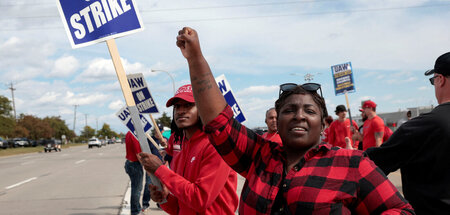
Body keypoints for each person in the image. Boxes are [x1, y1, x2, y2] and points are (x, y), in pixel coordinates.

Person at [174, 26, 414, 214]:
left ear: (322, 123)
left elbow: (401, 210)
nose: (299, 115)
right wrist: (195, 58)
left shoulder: (352, 164)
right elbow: (219, 123)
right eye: (289, 110)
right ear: (278, 121)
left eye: (309, 111)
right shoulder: (260, 155)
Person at [366, 52, 450, 214]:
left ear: (440, 79)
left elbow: (372, 165)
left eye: (432, 81)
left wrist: (350, 155)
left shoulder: (423, 126)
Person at [137, 84, 239, 214]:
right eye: (177, 106)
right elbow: (180, 207)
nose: (180, 111)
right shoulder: (180, 145)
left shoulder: (217, 145)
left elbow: (200, 200)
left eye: (188, 105)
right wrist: (165, 198)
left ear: (203, 108)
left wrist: (160, 169)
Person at [124, 131, 163, 215]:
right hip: (134, 165)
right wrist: (147, 169)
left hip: (130, 163)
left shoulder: (128, 133)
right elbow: (139, 155)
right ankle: (135, 211)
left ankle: (136, 210)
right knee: (137, 189)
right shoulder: (134, 134)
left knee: (136, 188)